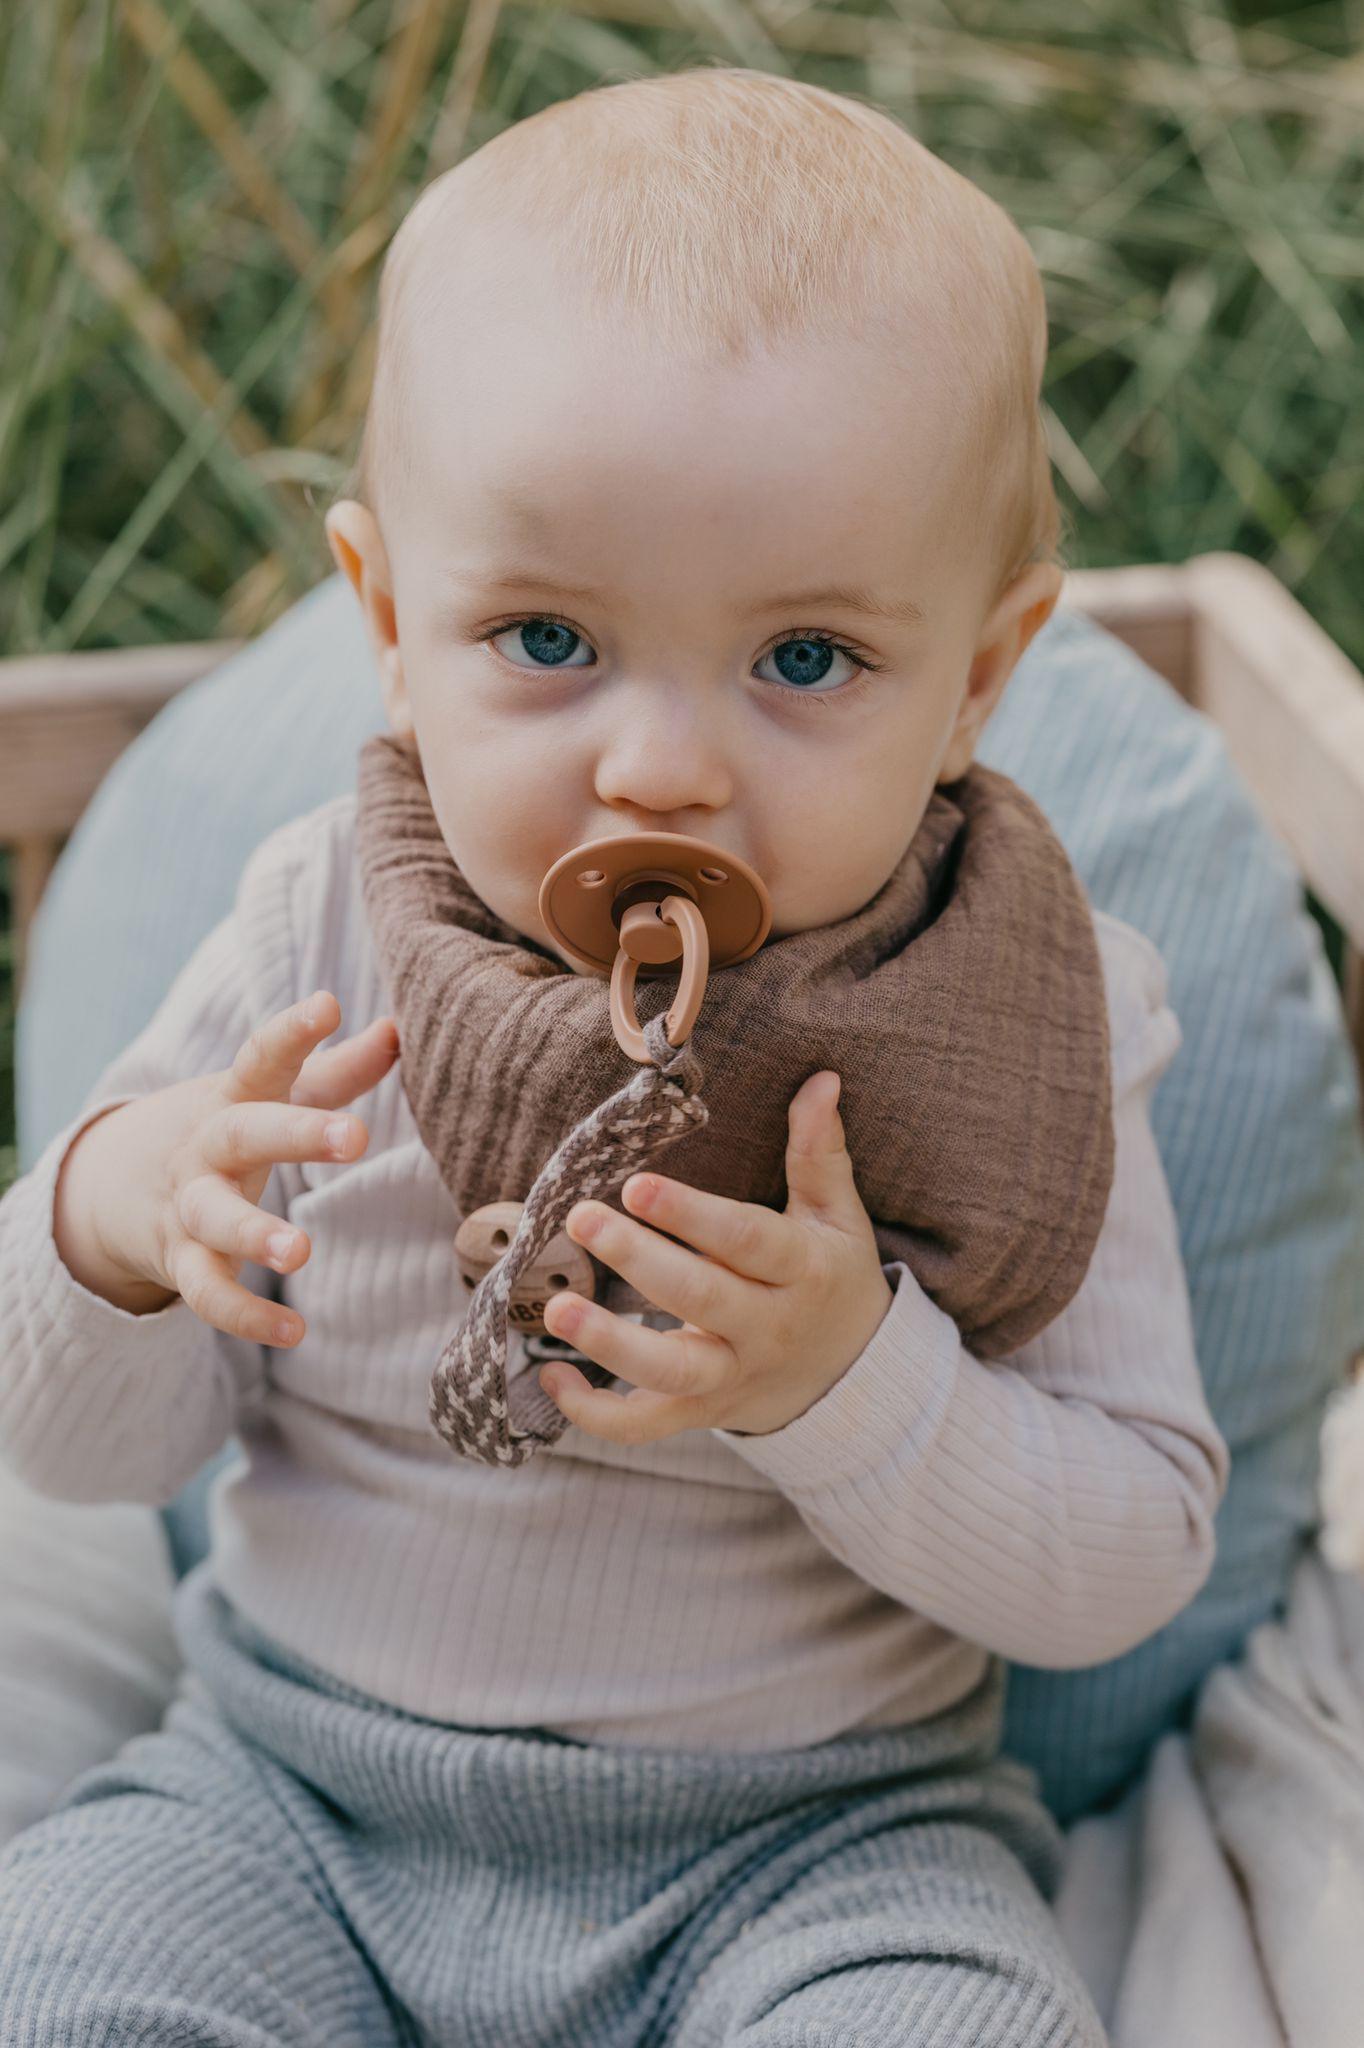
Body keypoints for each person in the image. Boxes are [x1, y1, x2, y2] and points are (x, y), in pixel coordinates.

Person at [0, 64, 1227, 2047]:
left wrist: (849, 1382)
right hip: (292, 1798)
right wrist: (118, 1223)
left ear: (978, 678)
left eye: (804, 660)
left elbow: (1128, 1555)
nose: (659, 764)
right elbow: (68, 1456)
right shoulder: (318, 927)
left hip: (818, 1841)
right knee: (55, 1986)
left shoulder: (1029, 1014)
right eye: (549, 642)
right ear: (387, 623)